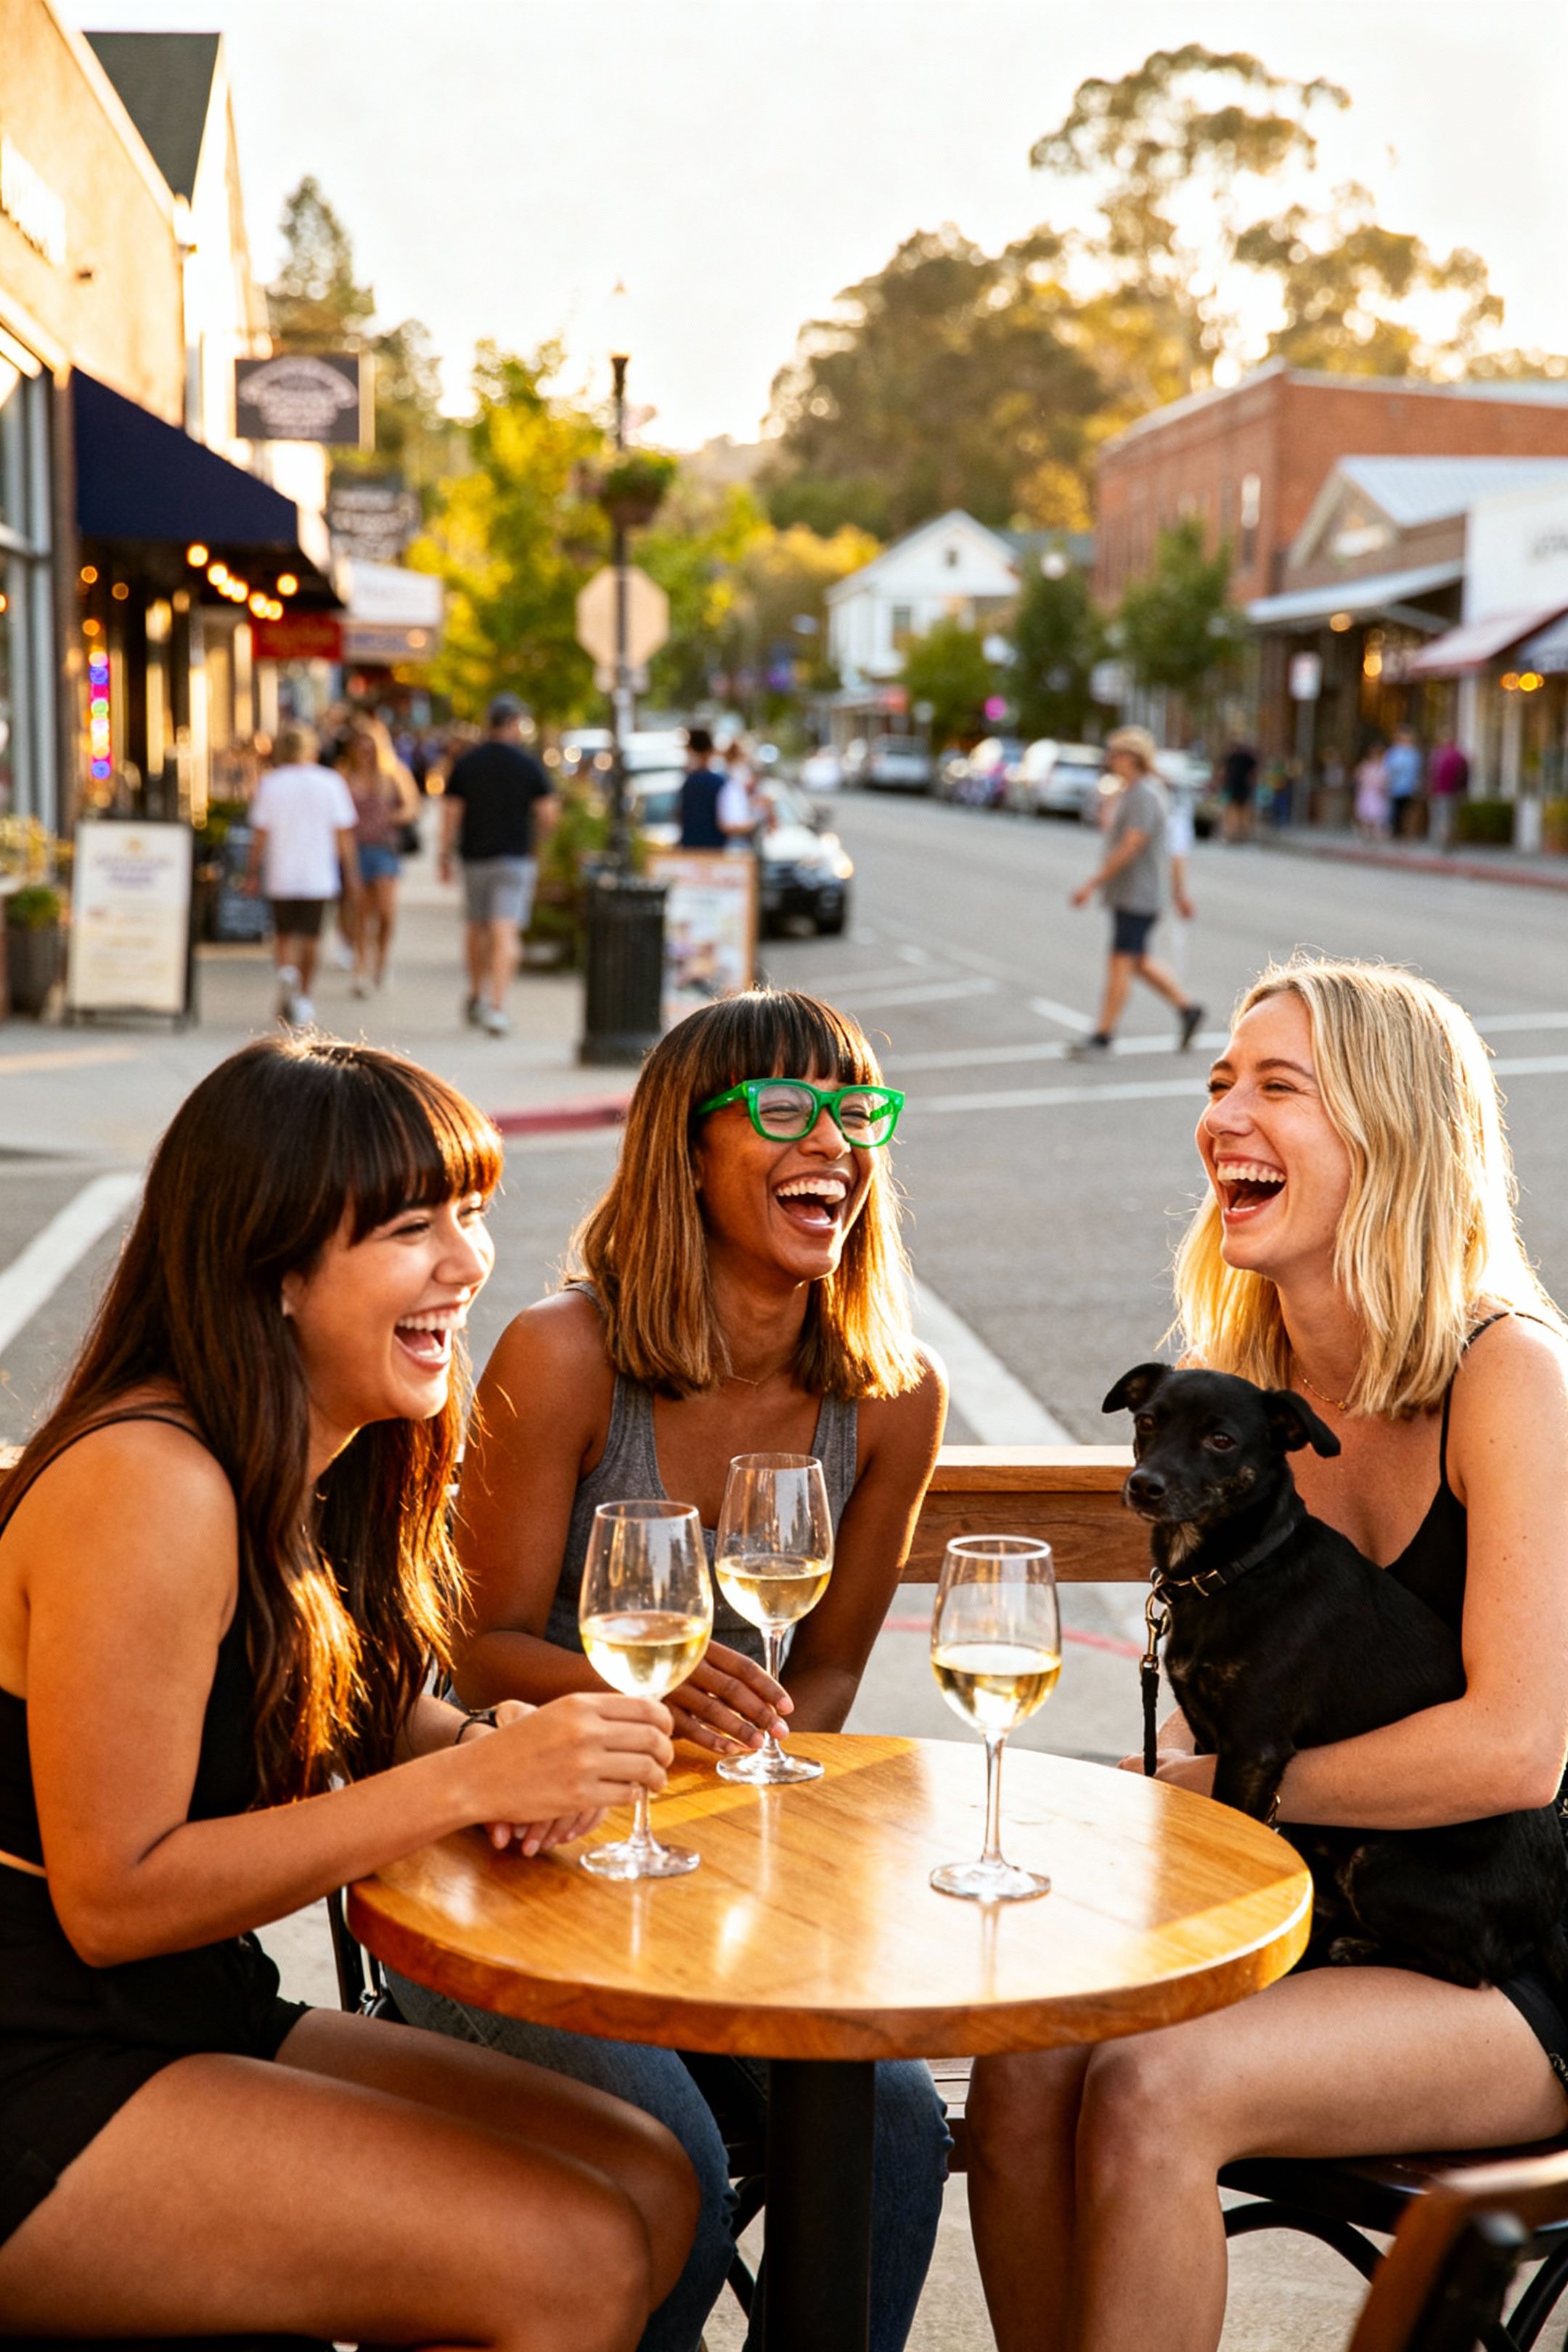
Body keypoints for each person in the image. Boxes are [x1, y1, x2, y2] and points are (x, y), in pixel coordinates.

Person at [0, 1035, 698, 2349]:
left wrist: (500, 1744)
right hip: (42, 2057)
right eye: (411, 1228)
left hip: (182, 2014)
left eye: (474, 1215)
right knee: (572, 2256)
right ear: (272, 1269)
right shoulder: (151, 1484)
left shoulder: (315, 1455)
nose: (468, 1262)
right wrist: (468, 1781)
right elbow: (114, 1896)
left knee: (655, 2175)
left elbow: (365, 1714)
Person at [966, 956, 1568, 2352]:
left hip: (1507, 1959)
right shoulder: (1239, 1386)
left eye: (1276, 1087)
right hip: (1309, 1919)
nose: (1224, 1114)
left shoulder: (1509, 1372)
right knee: (1021, 2063)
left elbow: (1518, 1747)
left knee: (1152, 2087)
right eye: (1219, 1082)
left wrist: (1223, 1790)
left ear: (1393, 1135)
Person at [387, 988, 954, 2352]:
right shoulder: (563, 1354)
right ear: (684, 1152)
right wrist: (628, 1699)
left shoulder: (896, 1395)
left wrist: (713, 1753)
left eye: (857, 1112)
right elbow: (470, 1641)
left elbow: (814, 1693)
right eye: (785, 1111)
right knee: (671, 2161)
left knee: (894, 2127)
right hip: (512, 1864)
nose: (835, 1140)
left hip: (710, 1878)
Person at [1069, 727, 1204, 1058]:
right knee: (1137, 961)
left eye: (1115, 753)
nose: (1110, 760)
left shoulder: (1146, 794)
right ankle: (1187, 1009)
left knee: (1120, 962)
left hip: (1138, 895)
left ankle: (1103, 1033)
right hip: (1134, 893)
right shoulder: (1135, 791)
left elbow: (1133, 844)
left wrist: (1093, 882)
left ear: (1133, 757)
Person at [439, 694, 559, 1036]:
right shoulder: (528, 764)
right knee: (505, 930)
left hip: (475, 857)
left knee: (477, 928)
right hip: (515, 857)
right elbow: (548, 813)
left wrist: (444, 855)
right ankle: (497, 1005)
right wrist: (539, 843)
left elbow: (451, 814)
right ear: (514, 724)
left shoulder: (467, 763)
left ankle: (477, 994)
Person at [245, 722, 361, 1026]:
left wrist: (251, 871)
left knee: (283, 933)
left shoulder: (271, 783)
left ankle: (286, 973)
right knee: (311, 936)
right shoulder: (330, 782)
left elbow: (259, 834)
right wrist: (351, 872)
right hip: (318, 873)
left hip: (282, 871)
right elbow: (343, 834)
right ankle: (305, 994)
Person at [338, 716, 422, 996]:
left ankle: (381, 963)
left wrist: (393, 817)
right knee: (361, 913)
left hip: (385, 849)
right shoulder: (345, 776)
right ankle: (360, 970)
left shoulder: (393, 774)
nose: (366, 753)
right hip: (355, 849)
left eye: (370, 747)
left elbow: (413, 807)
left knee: (386, 913)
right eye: (361, 747)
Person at [677, 727, 750, 849]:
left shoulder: (689, 782)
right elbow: (727, 824)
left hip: (691, 854)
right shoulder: (720, 782)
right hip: (714, 854)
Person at [1428, 732, 1471, 849]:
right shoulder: (1456, 755)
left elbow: (1433, 774)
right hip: (1448, 791)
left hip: (1445, 791)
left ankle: (1446, 841)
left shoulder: (1442, 755)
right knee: (1449, 817)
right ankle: (1448, 841)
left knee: (1444, 817)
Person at [1384, 724, 1424, 838]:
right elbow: (1388, 768)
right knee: (1395, 810)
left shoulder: (1415, 754)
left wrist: (1417, 784)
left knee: (1408, 811)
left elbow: (1417, 770)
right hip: (1395, 786)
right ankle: (1395, 832)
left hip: (1409, 787)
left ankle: (1407, 833)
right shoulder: (1393, 752)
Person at [1218, 740, 1258, 843]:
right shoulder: (1232, 758)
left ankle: (1238, 833)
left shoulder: (1244, 758)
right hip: (1235, 787)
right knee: (1234, 810)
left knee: (1239, 811)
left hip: (1241, 788)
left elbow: (1254, 773)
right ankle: (1235, 833)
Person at [1353, 740, 1391, 841]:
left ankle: (1375, 834)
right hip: (1367, 793)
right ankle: (1365, 833)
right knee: (1365, 813)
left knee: (1376, 815)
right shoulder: (1366, 765)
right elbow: (1358, 776)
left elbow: (1386, 780)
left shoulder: (1384, 767)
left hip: (1378, 795)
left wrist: (1382, 786)